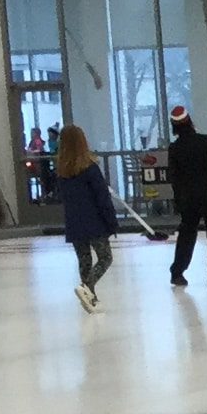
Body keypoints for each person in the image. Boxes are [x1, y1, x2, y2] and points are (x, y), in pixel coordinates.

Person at [164, 106, 207, 284]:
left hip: (188, 199)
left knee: (187, 236)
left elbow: (175, 178)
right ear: (190, 122)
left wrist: (178, 201)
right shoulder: (204, 142)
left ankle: (177, 272)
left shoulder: (175, 148)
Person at [58, 124, 120, 309]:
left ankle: (90, 296)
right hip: (95, 222)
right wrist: (111, 221)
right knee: (105, 258)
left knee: (84, 260)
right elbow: (102, 197)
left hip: (75, 223)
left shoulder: (63, 172)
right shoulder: (90, 168)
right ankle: (87, 287)